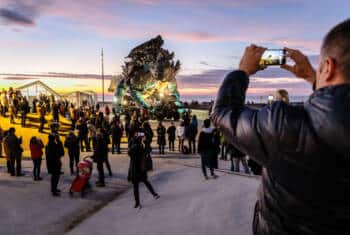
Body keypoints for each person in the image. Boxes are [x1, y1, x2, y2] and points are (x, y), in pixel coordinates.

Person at [211, 19, 350, 235]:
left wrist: (242, 71)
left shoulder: (286, 126)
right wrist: (314, 77)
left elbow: (223, 113)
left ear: (329, 67)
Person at [128, 132, 159, 209]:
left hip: (134, 169)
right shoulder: (141, 147)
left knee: (136, 187)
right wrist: (146, 142)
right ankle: (154, 194)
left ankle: (137, 203)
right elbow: (148, 150)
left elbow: (130, 153)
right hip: (141, 169)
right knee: (145, 182)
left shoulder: (133, 148)